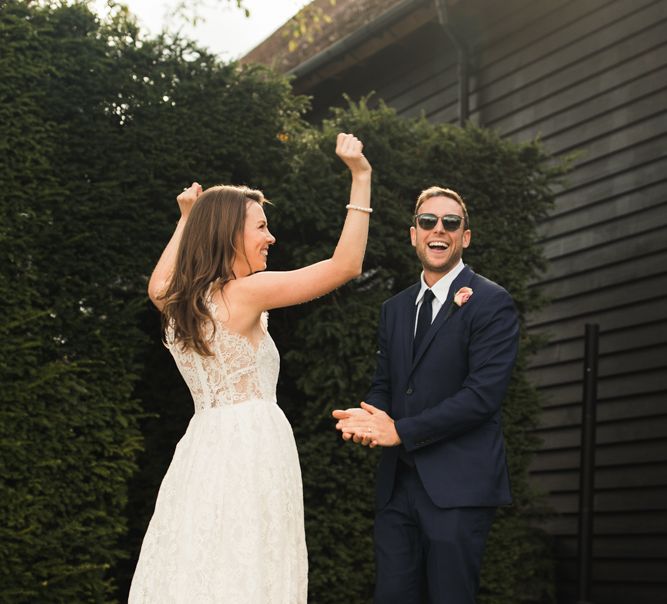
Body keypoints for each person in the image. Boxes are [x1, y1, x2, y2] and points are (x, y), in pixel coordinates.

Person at [129, 133, 372, 603]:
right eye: (261, 227)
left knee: (204, 560)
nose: (270, 236)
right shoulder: (245, 293)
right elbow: (345, 265)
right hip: (250, 449)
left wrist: (186, 219)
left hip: (203, 447)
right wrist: (361, 177)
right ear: (230, 235)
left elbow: (157, 282)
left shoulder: (182, 301)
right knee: (251, 564)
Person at [333, 186, 519, 604]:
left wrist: (400, 430)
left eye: (451, 223)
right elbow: (387, 382)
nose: (439, 229)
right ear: (413, 233)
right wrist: (369, 419)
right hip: (397, 487)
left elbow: (482, 397)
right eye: (428, 222)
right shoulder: (394, 309)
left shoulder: (491, 302)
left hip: (459, 488)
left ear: (465, 237)